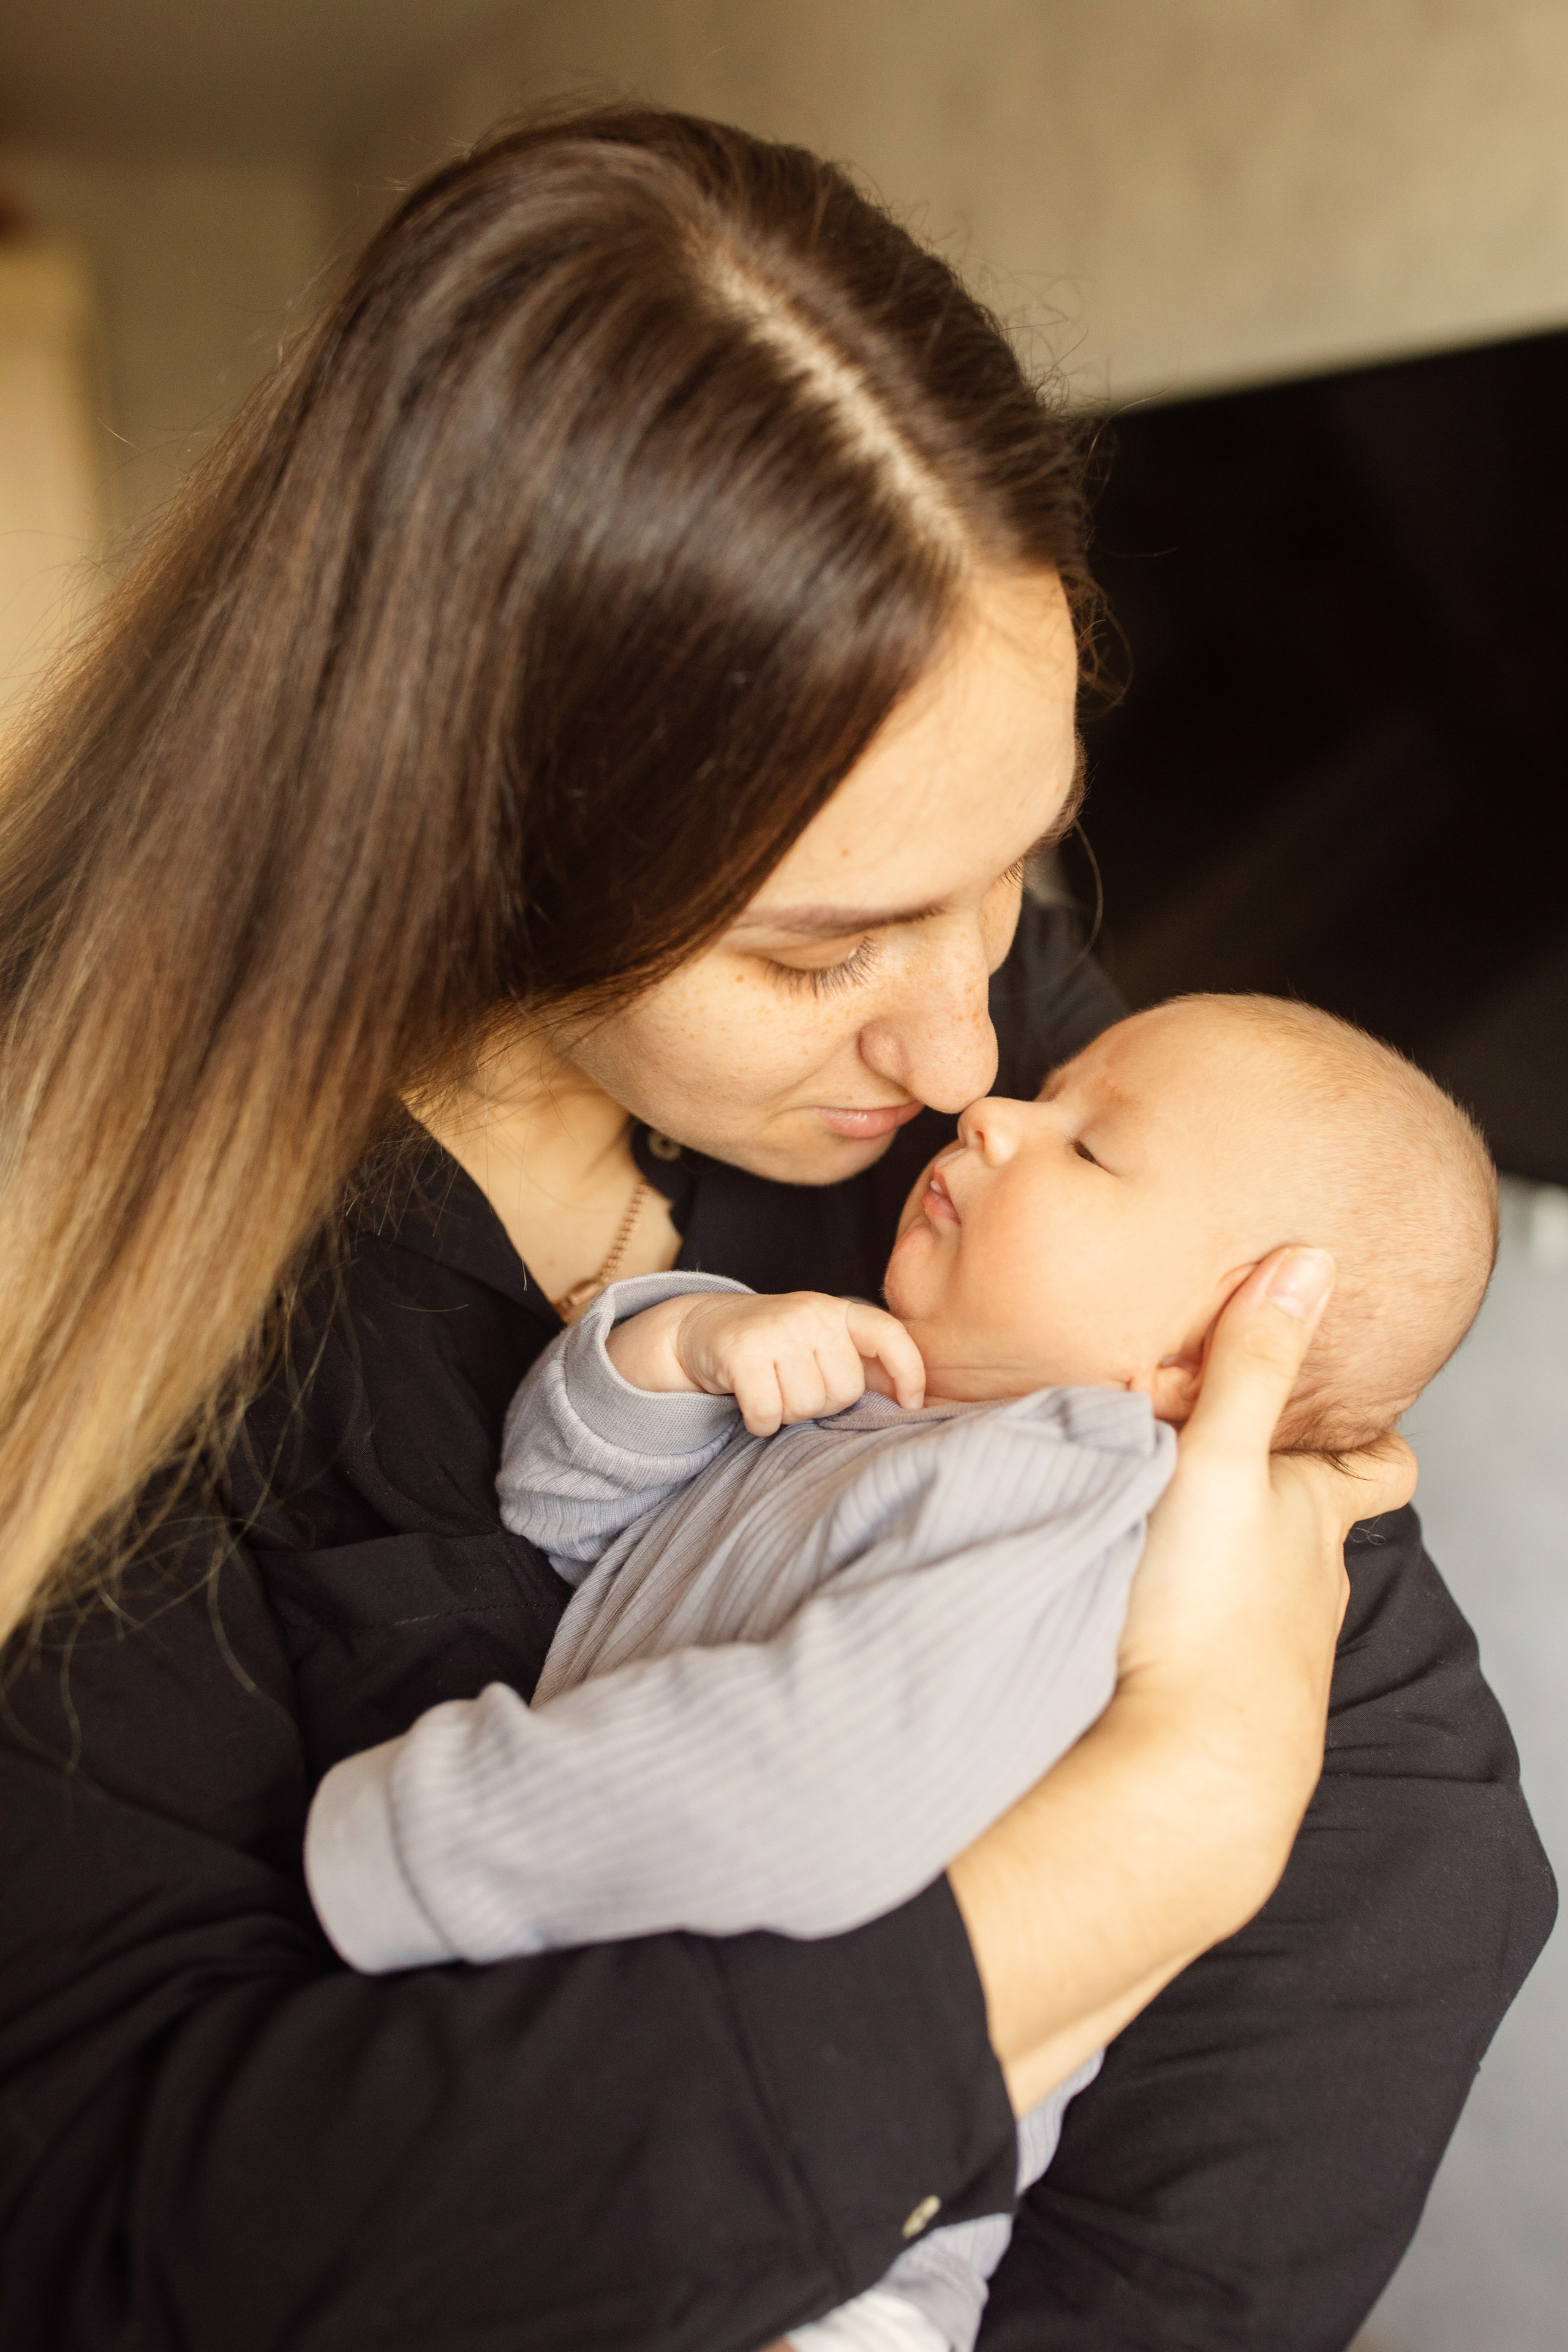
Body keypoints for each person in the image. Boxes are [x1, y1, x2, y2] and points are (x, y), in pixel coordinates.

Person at [0, 104, 1551, 2352]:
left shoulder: (970, 1036)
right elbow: (135, 2223)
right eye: (820, 952)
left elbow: (1408, 1845)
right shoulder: (96, 1267)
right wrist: (1150, 1842)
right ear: (451, 823)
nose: (966, 1052)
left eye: (1012, 869)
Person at [301, 994, 1503, 2352]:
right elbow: (553, 1515)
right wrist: (679, 1351)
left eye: (1088, 1149)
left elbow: (806, 1783)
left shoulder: (1066, 1499)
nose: (991, 1110)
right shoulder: (879, 1400)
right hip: (652, 2103)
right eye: (1049, 1090)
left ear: (1193, 1362)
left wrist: (423, 1833)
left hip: (823, 2270)